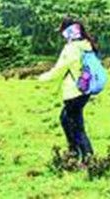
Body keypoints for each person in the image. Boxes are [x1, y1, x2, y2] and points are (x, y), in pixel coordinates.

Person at [37, 16, 98, 163]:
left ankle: (87, 158)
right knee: (66, 119)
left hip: (74, 93)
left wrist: (41, 78)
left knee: (76, 126)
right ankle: (74, 152)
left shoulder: (71, 49)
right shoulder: (86, 44)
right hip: (84, 90)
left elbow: (59, 69)